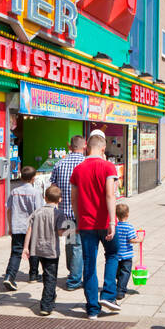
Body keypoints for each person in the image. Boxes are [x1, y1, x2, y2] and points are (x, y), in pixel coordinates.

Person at [71, 129, 119, 318]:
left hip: (86, 224)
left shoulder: (78, 169)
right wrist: (113, 222)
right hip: (105, 222)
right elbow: (110, 195)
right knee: (113, 254)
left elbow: (74, 200)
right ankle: (108, 294)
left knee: (89, 263)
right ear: (103, 148)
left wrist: (77, 219)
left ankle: (92, 308)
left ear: (86, 148)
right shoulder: (108, 167)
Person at [22, 184, 64, 315]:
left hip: (38, 249)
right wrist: (73, 230)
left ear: (44, 198)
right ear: (60, 199)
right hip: (51, 250)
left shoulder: (37, 212)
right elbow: (61, 232)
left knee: (47, 274)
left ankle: (51, 297)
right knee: (51, 276)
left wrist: (25, 247)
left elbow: (29, 229)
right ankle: (45, 305)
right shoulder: (58, 214)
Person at [52, 135, 86, 290]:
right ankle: (74, 280)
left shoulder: (59, 164)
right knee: (77, 245)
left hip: (64, 212)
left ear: (69, 146)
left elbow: (53, 188)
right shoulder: (85, 163)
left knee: (70, 243)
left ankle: (73, 271)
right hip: (81, 211)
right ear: (84, 146)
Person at [3, 165, 42, 290]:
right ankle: (33, 275)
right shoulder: (36, 193)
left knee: (16, 252)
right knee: (34, 250)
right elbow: (39, 211)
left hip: (17, 226)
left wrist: (10, 225)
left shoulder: (14, 192)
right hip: (31, 227)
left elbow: (8, 209)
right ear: (33, 179)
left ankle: (9, 276)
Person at [104, 202, 137, 306]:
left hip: (117, 254)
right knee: (125, 273)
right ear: (127, 214)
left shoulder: (115, 227)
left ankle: (118, 287)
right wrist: (140, 239)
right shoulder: (129, 227)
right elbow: (132, 239)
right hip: (127, 255)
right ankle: (121, 291)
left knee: (117, 272)